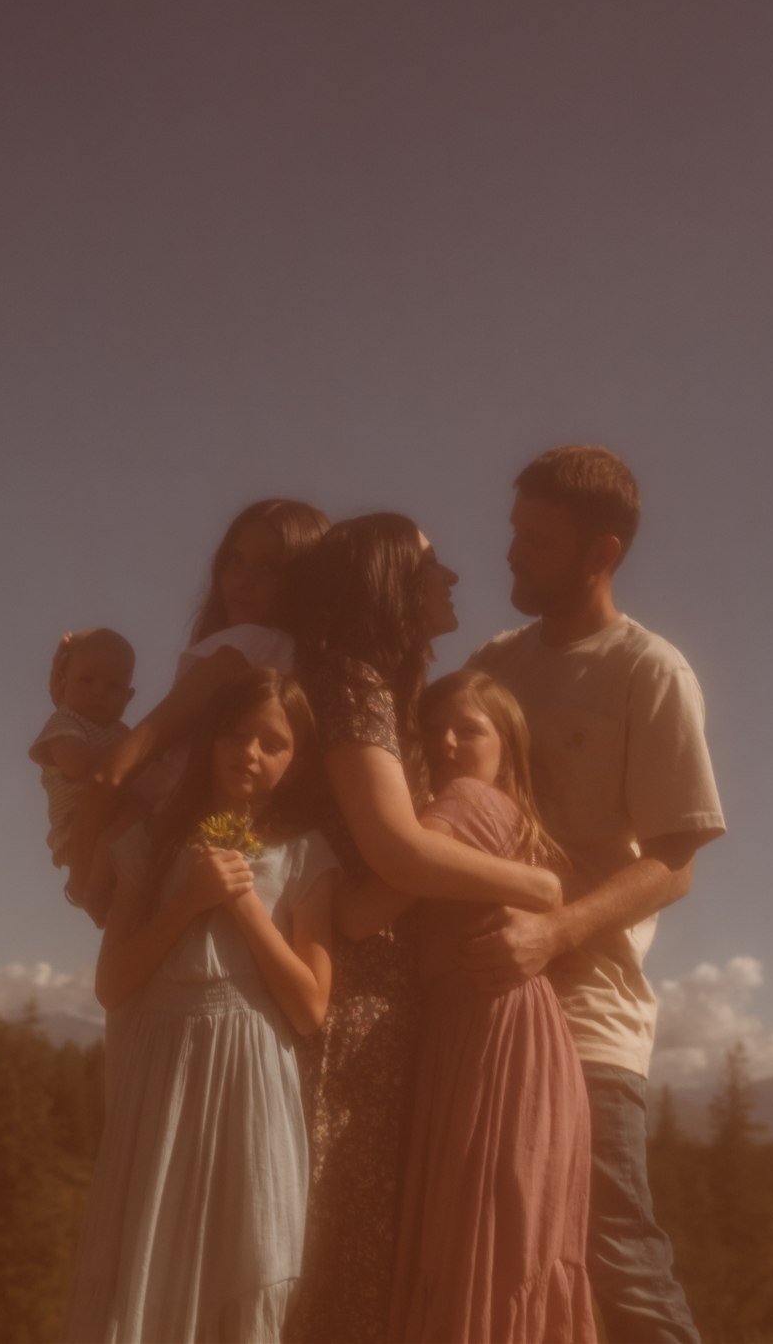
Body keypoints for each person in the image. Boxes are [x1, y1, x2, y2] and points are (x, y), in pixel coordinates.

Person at [465, 446, 726, 1344]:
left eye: (536, 540)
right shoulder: (494, 663)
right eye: (514, 532)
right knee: (494, 1260)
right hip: (479, 1000)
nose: (511, 554)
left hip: (587, 1017)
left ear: (600, 553)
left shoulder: (648, 670)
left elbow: (676, 859)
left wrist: (553, 931)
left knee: (616, 1259)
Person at [281, 513, 562, 1344]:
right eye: (429, 566)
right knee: (340, 1232)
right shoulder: (357, 684)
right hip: (352, 986)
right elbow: (396, 853)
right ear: (388, 582)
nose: (451, 579)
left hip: (384, 990)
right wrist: (541, 885)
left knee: (361, 1237)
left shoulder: (383, 694)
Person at [63, 668, 336, 1344]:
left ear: (296, 757)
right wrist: (186, 898)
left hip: (254, 1076)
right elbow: (113, 982)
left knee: (240, 1263)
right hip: (164, 1064)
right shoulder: (151, 842)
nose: (250, 752)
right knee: (148, 1260)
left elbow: (311, 1008)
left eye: (273, 742)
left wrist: (242, 900)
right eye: (235, 734)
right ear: (209, 741)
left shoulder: (305, 853)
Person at [381, 669, 596, 1343]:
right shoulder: (519, 823)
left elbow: (384, 882)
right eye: (432, 728)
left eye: (467, 728)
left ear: (509, 745)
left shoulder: (467, 799)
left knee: (469, 1249)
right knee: (510, 1254)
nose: (445, 741)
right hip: (526, 1043)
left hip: (488, 1040)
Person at [57, 499, 330, 897]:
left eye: (269, 568)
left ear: (304, 581)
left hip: (158, 823)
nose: (242, 580)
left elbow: (112, 773)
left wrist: (79, 882)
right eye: (235, 560)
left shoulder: (242, 645)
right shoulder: (295, 658)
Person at [29, 627, 135, 919]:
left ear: (128, 697)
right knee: (129, 819)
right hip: (77, 826)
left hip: (113, 819)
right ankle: (88, 890)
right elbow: (79, 766)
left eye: (113, 686)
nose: (99, 691)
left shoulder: (121, 732)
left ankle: (115, 897)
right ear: (63, 684)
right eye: (86, 680)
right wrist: (136, 760)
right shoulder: (65, 721)